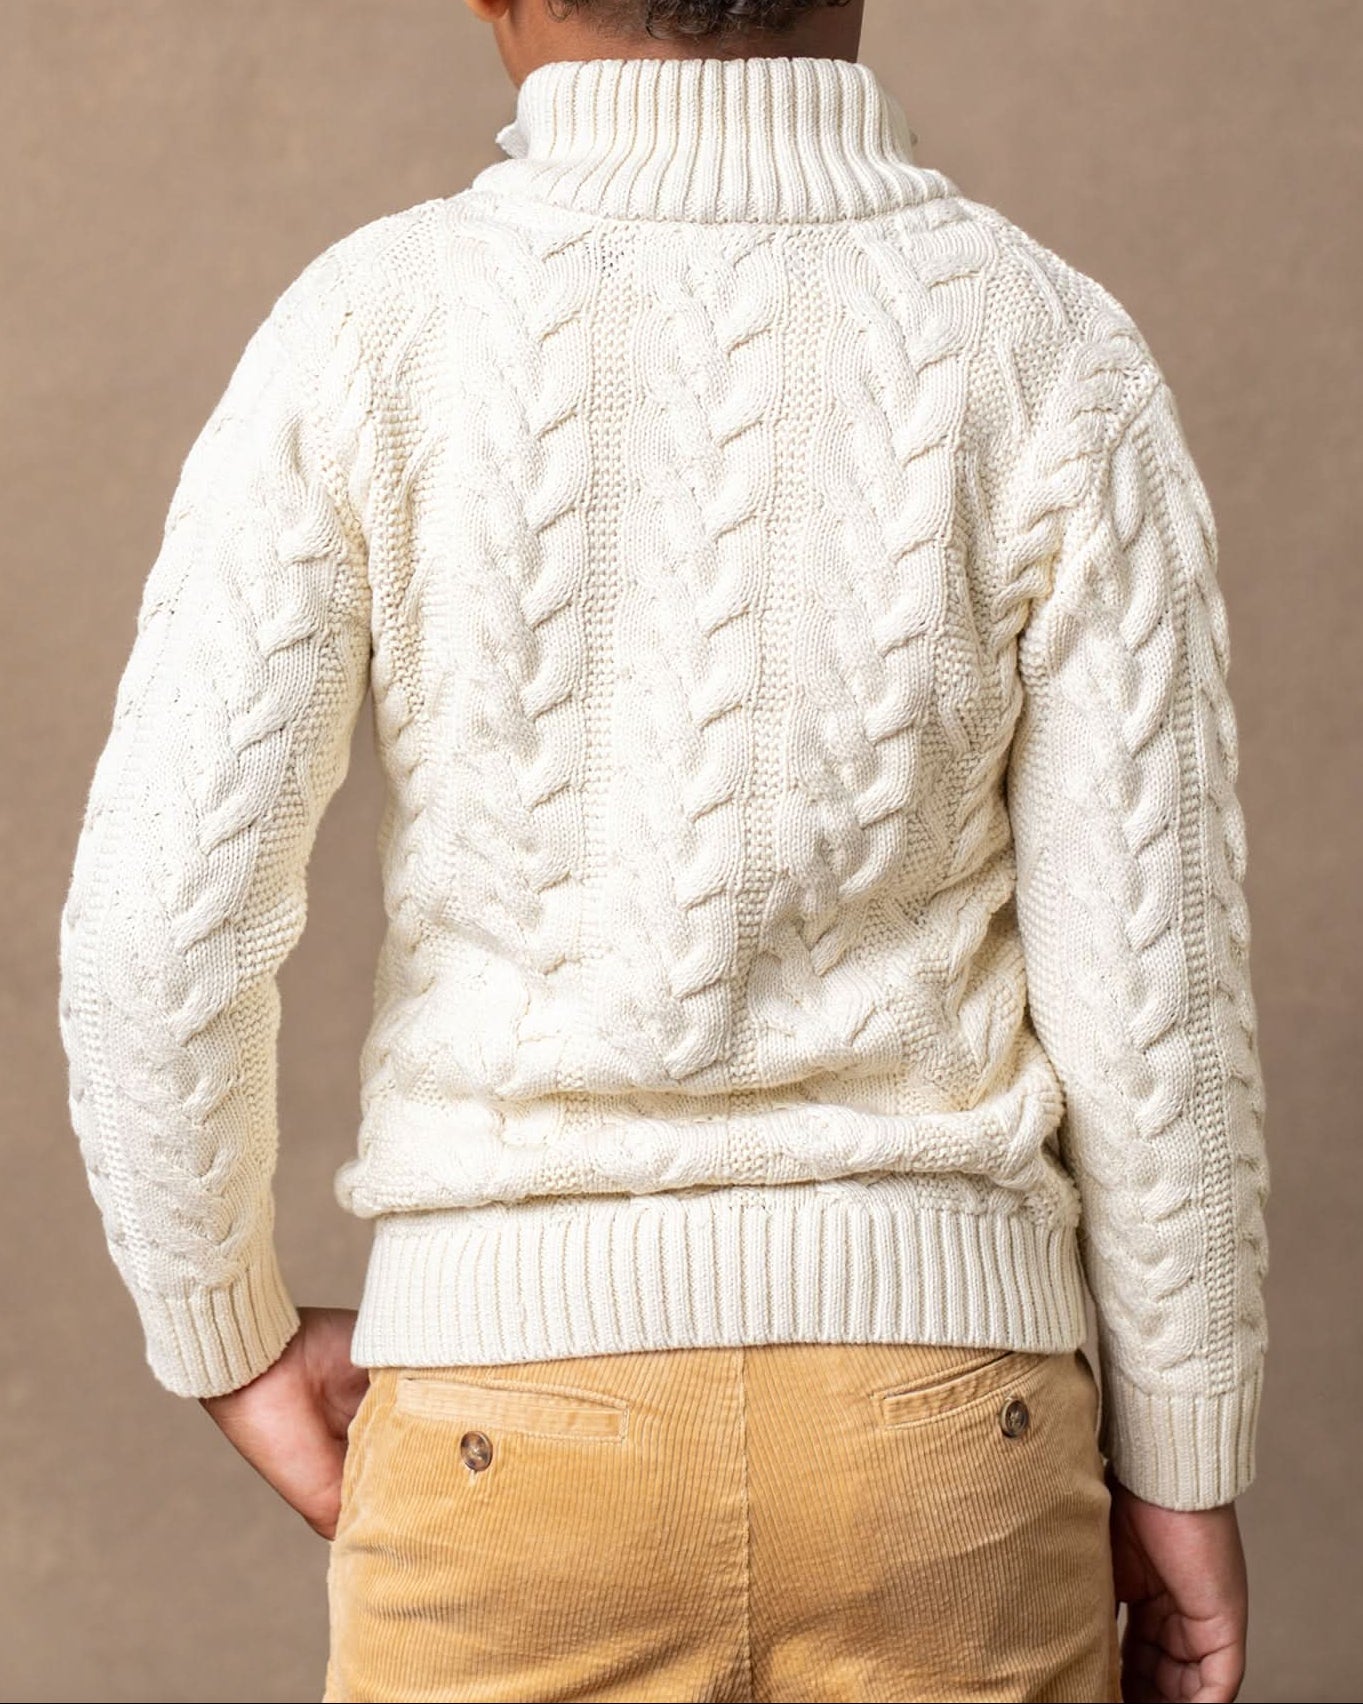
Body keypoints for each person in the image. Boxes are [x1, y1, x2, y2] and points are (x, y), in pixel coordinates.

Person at [55, 0, 1270, 1699]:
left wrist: (229, 1337)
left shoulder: (370, 324)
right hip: (945, 1442)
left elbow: (155, 926)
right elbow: (1156, 993)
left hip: (506, 1434)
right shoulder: (1048, 343)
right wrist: (1185, 1453)